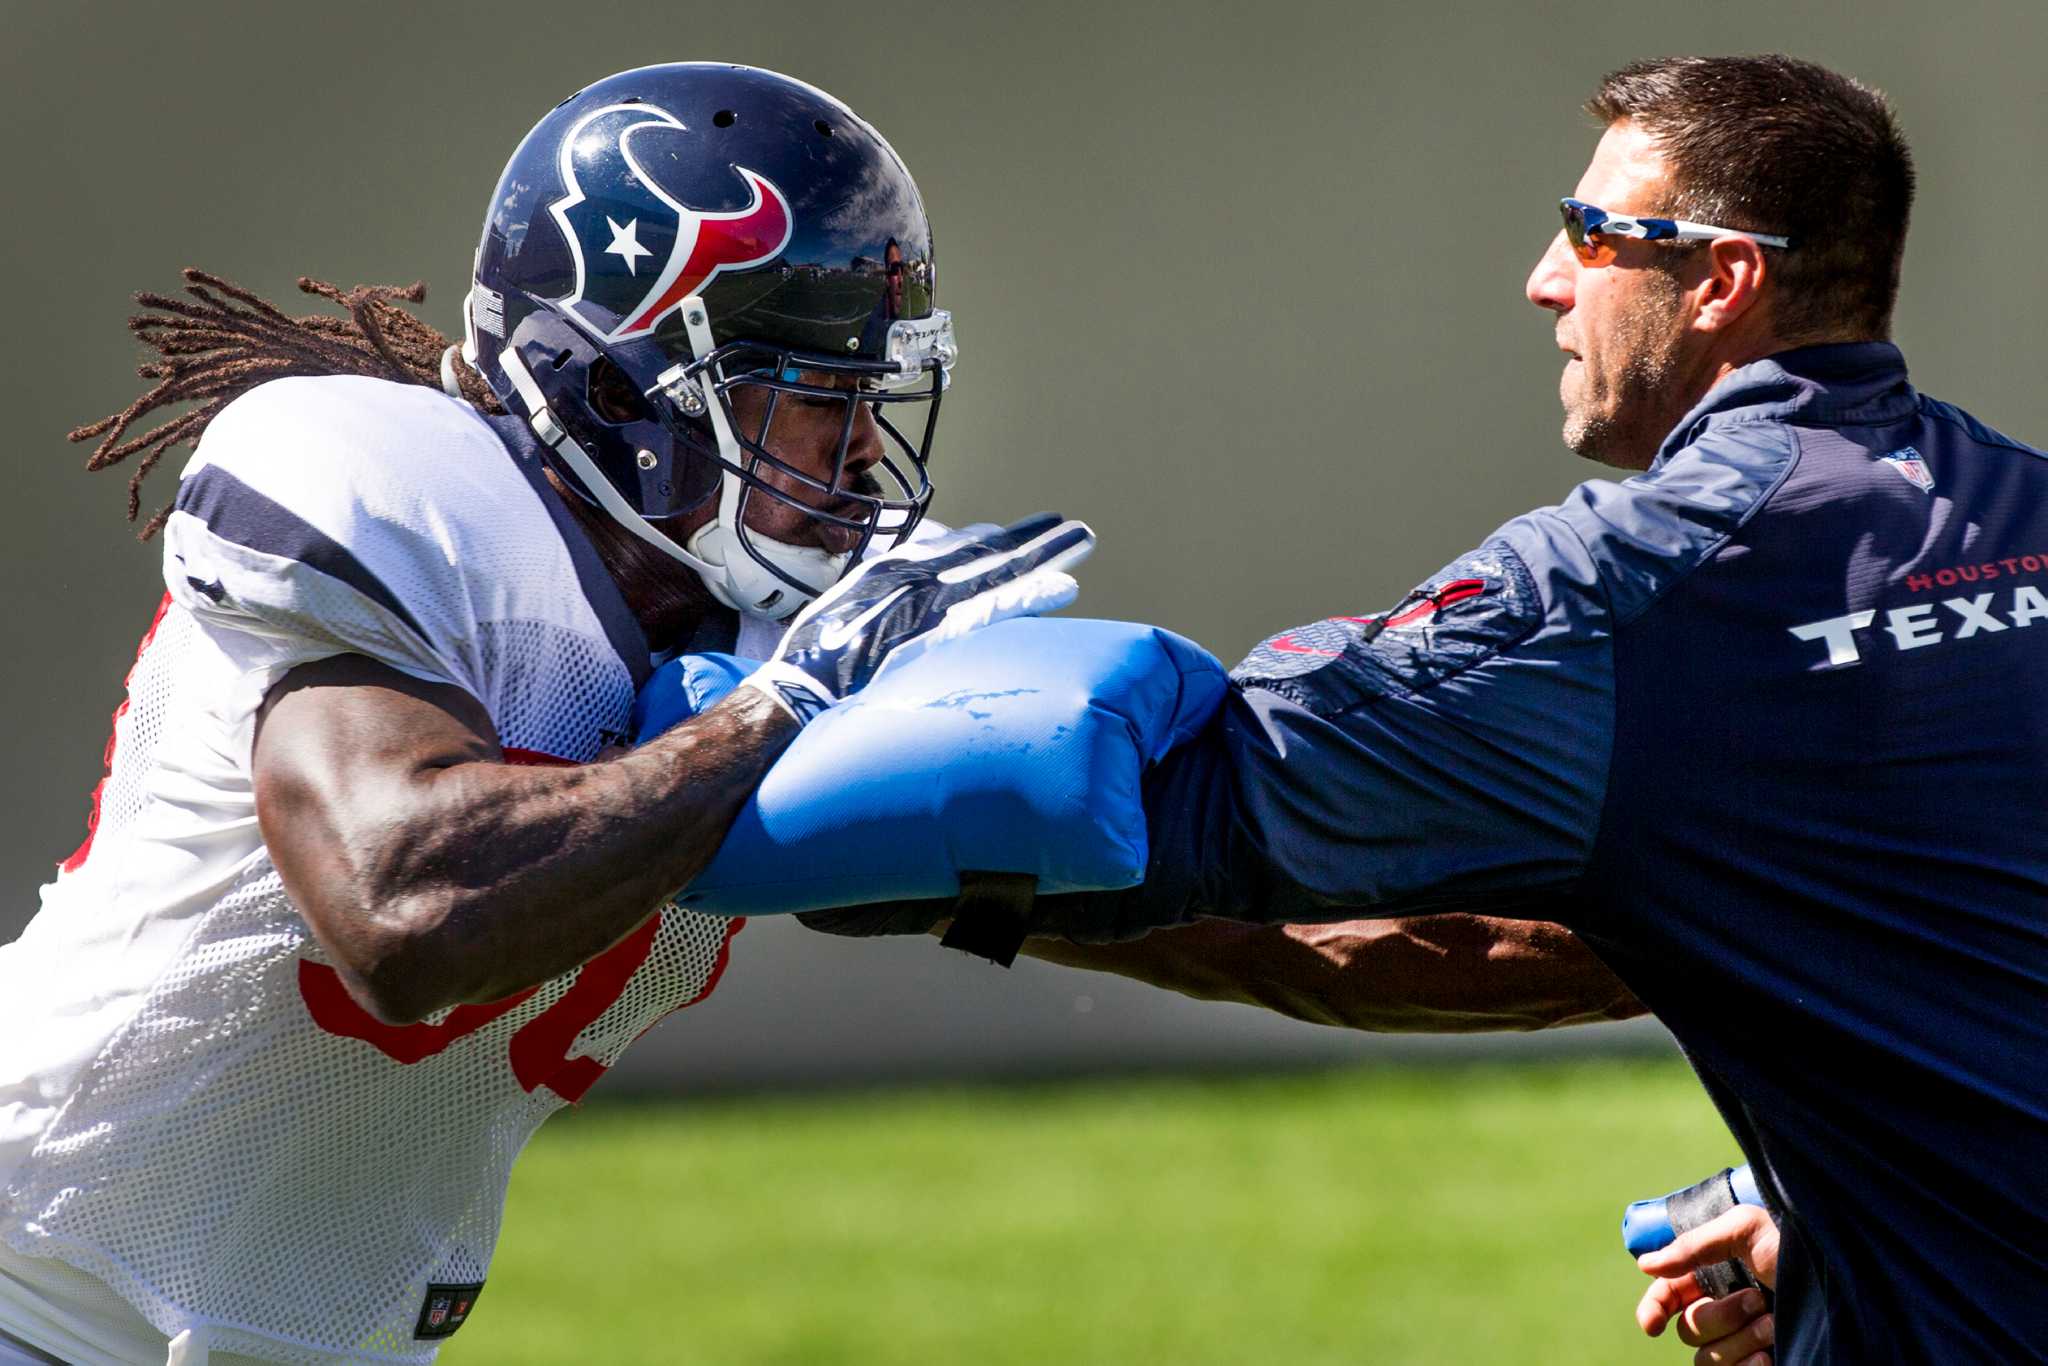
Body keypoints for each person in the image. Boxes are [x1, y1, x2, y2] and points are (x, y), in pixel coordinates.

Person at [812, 54, 2048, 1364]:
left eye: (1591, 233)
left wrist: (776, 793)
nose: (1546, 277)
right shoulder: (2018, 513)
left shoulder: (1623, 590)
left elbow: (1172, 802)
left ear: (1724, 281)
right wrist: (1833, 1209)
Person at [0, 62, 1087, 1366]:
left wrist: (1334, 899)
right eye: (815, 394)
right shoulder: (402, 496)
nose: (864, 452)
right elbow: (402, 913)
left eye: (878, 397)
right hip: (34, 1286)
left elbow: (1080, 870)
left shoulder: (785, 621)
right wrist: (786, 707)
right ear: (627, 400)